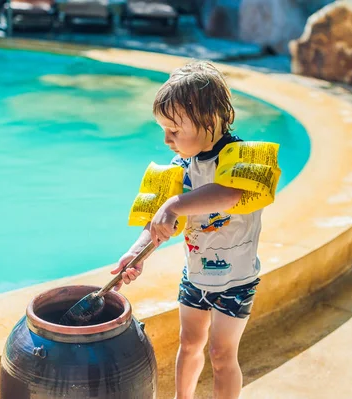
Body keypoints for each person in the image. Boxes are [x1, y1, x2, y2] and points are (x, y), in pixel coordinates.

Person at [111, 61, 275, 399]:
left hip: (236, 281)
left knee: (221, 354)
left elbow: (228, 194)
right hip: (195, 277)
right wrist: (138, 252)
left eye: (174, 129)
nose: (166, 139)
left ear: (210, 119)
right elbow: (158, 223)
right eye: (164, 129)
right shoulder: (180, 169)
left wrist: (173, 205)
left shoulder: (240, 159)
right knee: (188, 345)